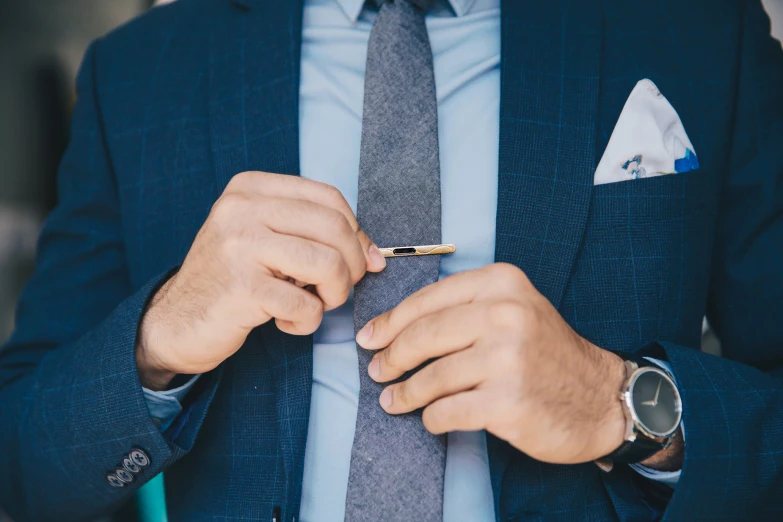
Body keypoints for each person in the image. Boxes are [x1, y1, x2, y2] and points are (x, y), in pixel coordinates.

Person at [1, 0, 782, 520]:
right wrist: (159, 338)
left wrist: (620, 406)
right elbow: (20, 467)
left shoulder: (703, 34)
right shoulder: (138, 74)